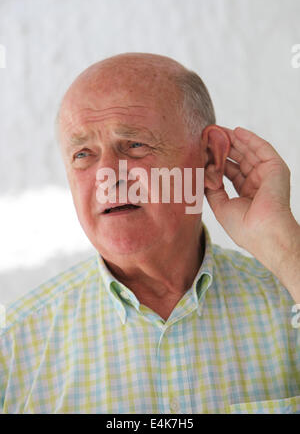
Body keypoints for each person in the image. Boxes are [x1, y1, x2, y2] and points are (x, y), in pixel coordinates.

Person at [0, 53, 299, 414]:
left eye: (135, 145)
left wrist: (284, 245)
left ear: (209, 157)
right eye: (83, 154)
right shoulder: (12, 348)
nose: (107, 176)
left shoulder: (290, 301)